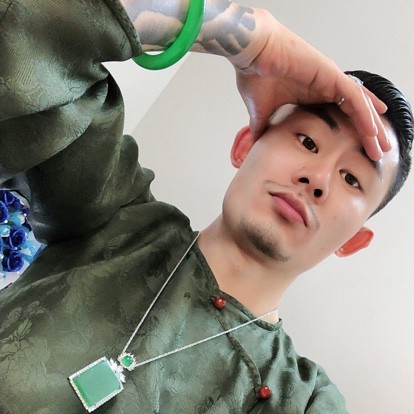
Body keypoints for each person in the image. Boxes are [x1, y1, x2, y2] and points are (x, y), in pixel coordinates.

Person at [0, 0, 412, 413]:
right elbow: (28, 34)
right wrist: (246, 37)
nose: (318, 178)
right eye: (308, 142)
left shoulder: (302, 402)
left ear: (353, 241)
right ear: (246, 145)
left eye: (352, 178)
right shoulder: (115, 210)